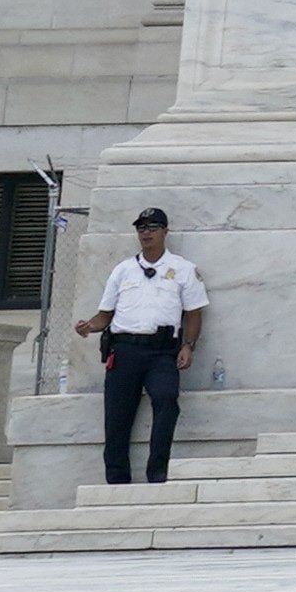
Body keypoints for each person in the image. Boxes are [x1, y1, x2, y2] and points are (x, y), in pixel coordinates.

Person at [75, 208, 203, 486]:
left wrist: (189, 345)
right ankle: (117, 479)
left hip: (162, 351)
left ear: (165, 232)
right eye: (141, 228)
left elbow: (194, 313)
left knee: (167, 400)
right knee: (117, 416)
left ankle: (157, 471)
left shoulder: (183, 269)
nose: (146, 233)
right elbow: (105, 314)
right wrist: (90, 326)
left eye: (153, 227)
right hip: (124, 350)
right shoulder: (123, 270)